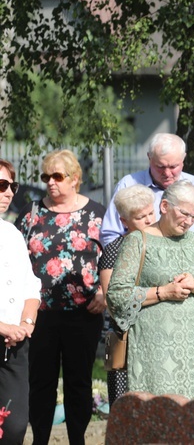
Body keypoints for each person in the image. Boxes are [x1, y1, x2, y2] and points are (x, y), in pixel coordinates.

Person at [14, 150, 106, 445]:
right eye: (45, 177)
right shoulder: (31, 214)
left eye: (58, 176)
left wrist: (105, 292)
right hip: (40, 313)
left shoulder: (97, 214)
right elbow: (15, 261)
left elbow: (113, 260)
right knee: (40, 382)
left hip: (84, 312)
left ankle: (77, 439)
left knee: (79, 382)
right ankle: (40, 438)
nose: (50, 183)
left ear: (76, 179)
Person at [107, 180, 194, 399]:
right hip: (155, 348)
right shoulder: (137, 241)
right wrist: (162, 292)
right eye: (185, 214)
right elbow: (117, 294)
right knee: (160, 411)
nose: (189, 222)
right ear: (164, 207)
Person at [97, 184, 156, 404]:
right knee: (122, 402)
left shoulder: (165, 242)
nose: (150, 220)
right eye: (141, 217)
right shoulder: (113, 250)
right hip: (122, 334)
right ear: (124, 221)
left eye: (151, 213)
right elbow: (113, 301)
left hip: (157, 331)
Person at [100, 133, 194, 246]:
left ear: (183, 159)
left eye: (173, 167)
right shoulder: (129, 184)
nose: (167, 173)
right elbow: (110, 235)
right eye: (160, 167)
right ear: (149, 158)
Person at [0, 159, 41, 444]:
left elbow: (31, 286)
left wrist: (26, 323)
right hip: (5, 333)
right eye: (2, 185)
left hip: (15, 345)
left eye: (12, 186)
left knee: (15, 427)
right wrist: (3, 326)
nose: (9, 192)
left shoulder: (12, 233)